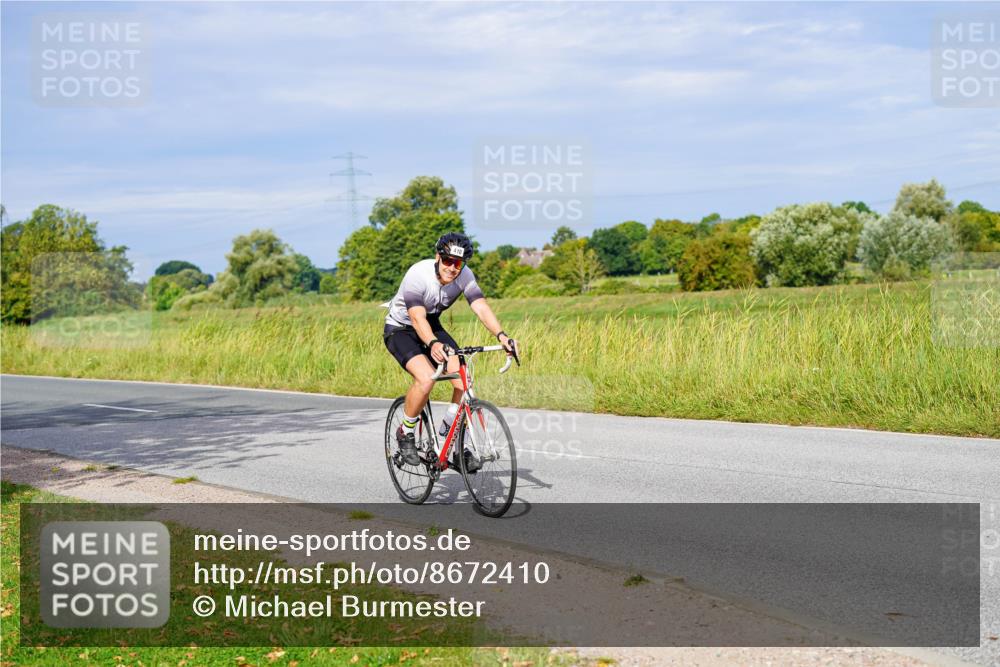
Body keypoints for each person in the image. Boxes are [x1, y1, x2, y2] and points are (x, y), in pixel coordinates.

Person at [383, 232, 518, 469]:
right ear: (438, 257)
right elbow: (416, 317)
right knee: (426, 379)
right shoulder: (418, 274)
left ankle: (452, 443)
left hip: (432, 324)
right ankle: (406, 431)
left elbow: (481, 307)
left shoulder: (464, 275)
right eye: (447, 261)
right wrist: (433, 343)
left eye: (458, 263)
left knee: (463, 381)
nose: (452, 268)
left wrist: (502, 336)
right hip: (401, 328)